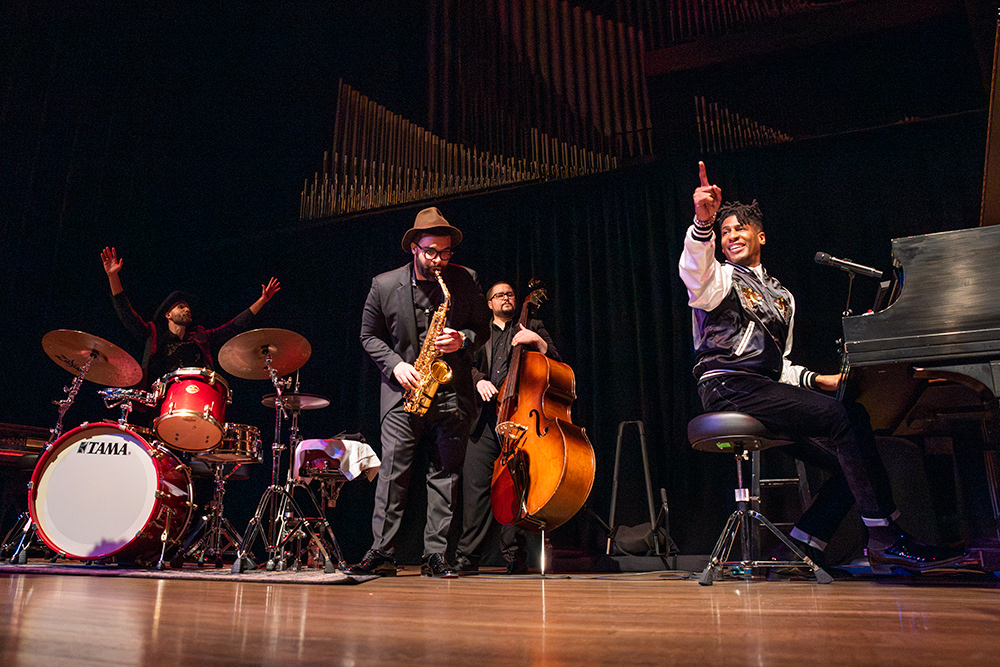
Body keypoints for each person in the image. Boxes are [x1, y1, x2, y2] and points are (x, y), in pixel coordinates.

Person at [678, 161, 968, 574]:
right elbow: (694, 270)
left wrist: (820, 380)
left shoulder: (783, 296)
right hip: (729, 385)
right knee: (845, 419)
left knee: (850, 462)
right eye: (725, 232)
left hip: (763, 389)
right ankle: (886, 539)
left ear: (761, 236)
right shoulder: (718, 279)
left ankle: (800, 548)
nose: (731, 237)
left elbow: (781, 365)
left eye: (739, 229)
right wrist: (702, 223)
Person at [347, 207, 490, 578]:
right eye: (431, 252)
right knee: (393, 474)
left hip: (451, 392)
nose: (439, 260)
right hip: (403, 391)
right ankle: (382, 552)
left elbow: (482, 329)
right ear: (413, 247)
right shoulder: (383, 284)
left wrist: (462, 340)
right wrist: (395, 365)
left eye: (445, 252)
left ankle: (435, 555)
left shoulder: (465, 279)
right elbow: (367, 336)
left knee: (445, 474)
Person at [452, 281, 560, 575]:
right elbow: (463, 366)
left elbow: (556, 363)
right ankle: (468, 556)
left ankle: (515, 556)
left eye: (510, 294)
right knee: (475, 491)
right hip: (484, 420)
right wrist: (478, 380)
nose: (506, 298)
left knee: (515, 487)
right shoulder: (480, 333)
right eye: (499, 295)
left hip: (520, 418)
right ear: (489, 303)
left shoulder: (531, 325)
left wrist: (538, 343)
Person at [100, 246, 281, 389]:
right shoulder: (154, 335)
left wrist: (262, 301)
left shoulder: (200, 337)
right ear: (168, 315)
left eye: (188, 308)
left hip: (198, 397)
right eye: (180, 307)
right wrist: (113, 277)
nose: (187, 310)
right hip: (161, 405)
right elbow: (127, 315)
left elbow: (233, 326)